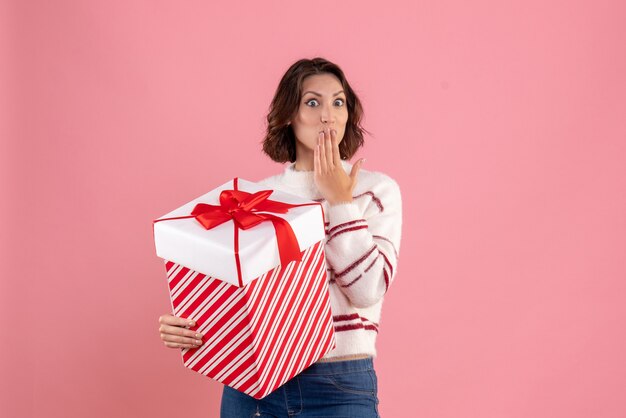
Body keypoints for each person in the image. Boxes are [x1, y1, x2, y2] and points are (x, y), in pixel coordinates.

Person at [158, 57, 402, 417]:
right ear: (289, 114)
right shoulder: (255, 200)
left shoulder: (374, 190)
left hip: (339, 386)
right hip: (252, 384)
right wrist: (191, 323)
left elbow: (367, 290)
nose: (328, 115)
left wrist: (338, 201)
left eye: (338, 102)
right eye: (312, 102)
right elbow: (239, 299)